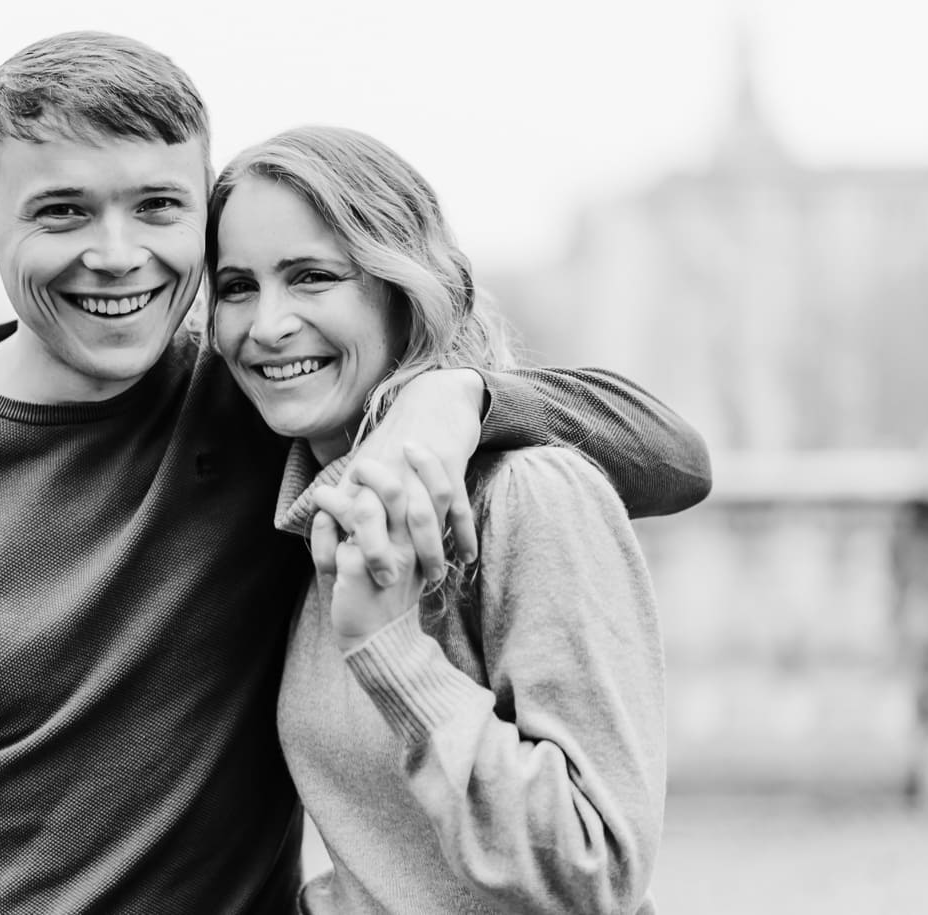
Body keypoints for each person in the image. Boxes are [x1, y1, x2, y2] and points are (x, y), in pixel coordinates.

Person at [0, 32, 707, 914]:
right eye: (63, 211)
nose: (117, 254)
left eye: (157, 208)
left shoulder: (264, 407)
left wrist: (453, 402)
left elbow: (670, 454)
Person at [205, 125, 669, 914]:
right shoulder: (309, 506)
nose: (268, 323)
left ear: (402, 287)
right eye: (238, 286)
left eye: (312, 277)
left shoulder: (528, 496)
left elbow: (594, 873)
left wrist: (395, 655)